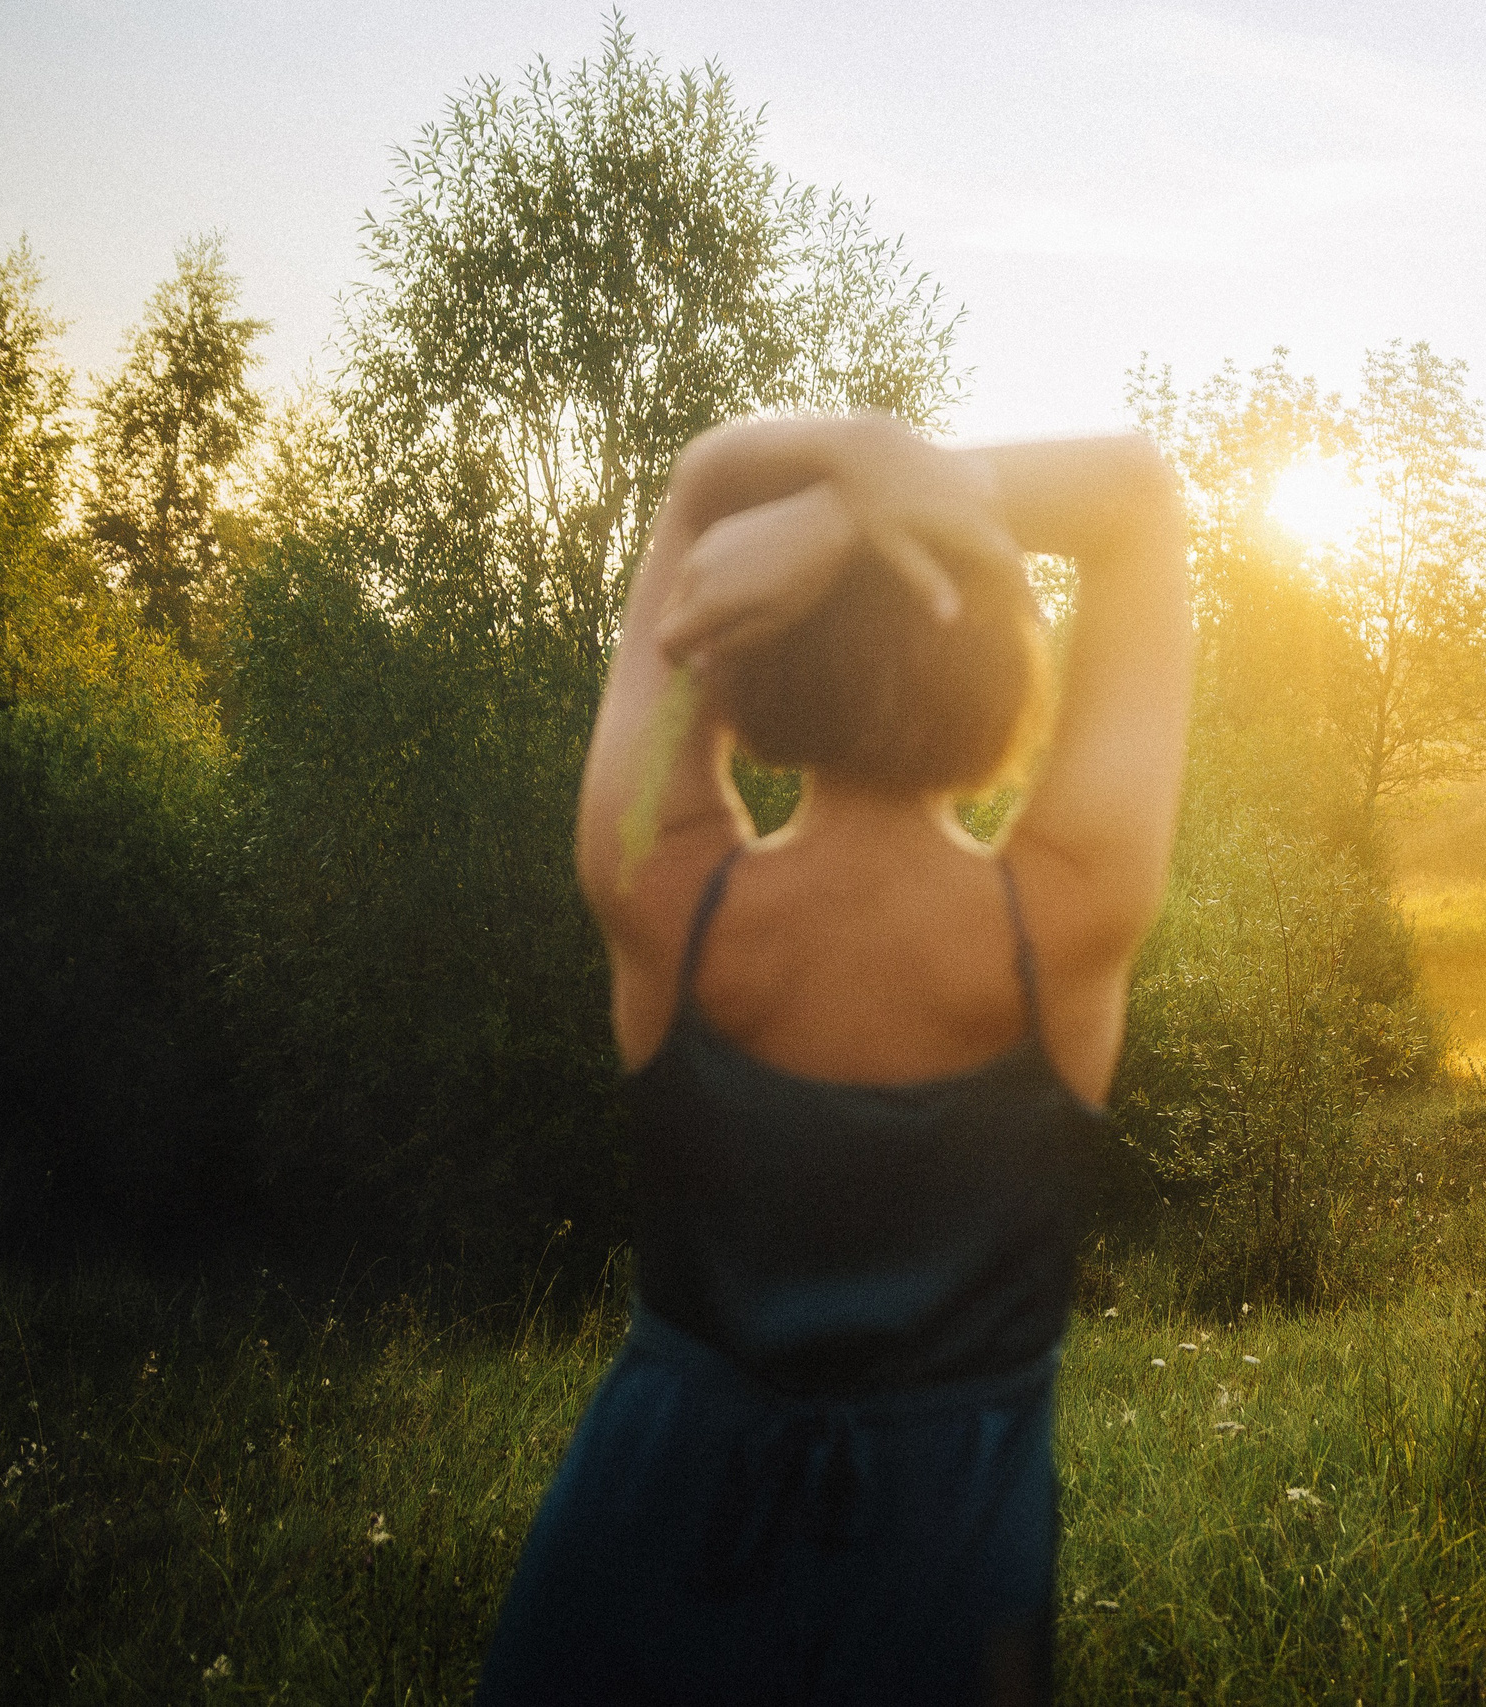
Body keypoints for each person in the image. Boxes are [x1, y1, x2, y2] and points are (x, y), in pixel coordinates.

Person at [474, 415, 1190, 1705]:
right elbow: (1135, 497)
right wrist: (869, 510)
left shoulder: (656, 884)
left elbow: (698, 490)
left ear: (745, 651)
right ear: (1001, 671)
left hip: (640, 1549)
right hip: (942, 1583)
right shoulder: (1070, 919)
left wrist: (837, 482)